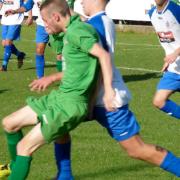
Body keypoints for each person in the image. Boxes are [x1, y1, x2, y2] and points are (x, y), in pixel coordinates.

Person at [28, 0, 180, 178]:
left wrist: (97, 97)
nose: (82, 1)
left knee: (137, 150)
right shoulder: (95, 21)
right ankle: (64, 175)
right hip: (93, 97)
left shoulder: (100, 23)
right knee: (59, 124)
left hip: (108, 100)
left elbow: (101, 62)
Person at [0, 0, 116, 179]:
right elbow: (79, 68)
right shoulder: (70, 29)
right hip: (59, 98)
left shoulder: (78, 31)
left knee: (24, 147)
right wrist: (52, 77)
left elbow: (103, 55)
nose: (44, 25)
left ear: (55, 17)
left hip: (69, 105)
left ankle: (18, 172)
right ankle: (15, 170)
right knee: (9, 123)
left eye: (45, 21)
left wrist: (108, 91)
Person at [149, 0, 180, 119]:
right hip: (173, 69)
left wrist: (176, 53)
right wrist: (168, 58)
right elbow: (168, 40)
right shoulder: (152, 14)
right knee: (159, 101)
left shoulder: (176, 10)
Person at [5, 0, 50, 78]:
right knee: (39, 50)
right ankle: (40, 78)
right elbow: (27, 6)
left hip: (57, 25)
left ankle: (67, 79)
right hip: (42, 25)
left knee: (59, 54)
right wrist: (15, 11)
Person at [0, 0, 28, 71]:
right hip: (5, 19)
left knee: (8, 42)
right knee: (4, 44)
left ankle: (4, 65)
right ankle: (20, 54)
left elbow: (28, 3)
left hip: (16, 20)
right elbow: (1, 3)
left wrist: (30, 16)